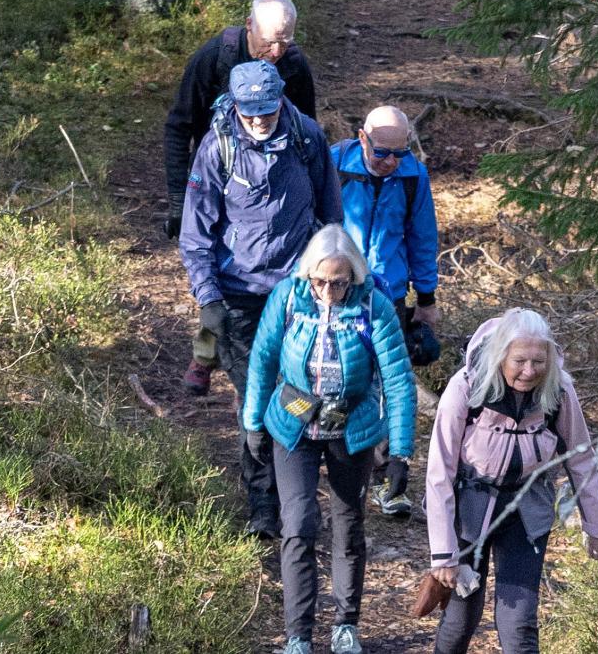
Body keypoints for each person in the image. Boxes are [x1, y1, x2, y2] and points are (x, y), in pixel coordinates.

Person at [179, 60, 342, 541]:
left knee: (295, 395)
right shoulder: (218, 147)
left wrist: (337, 282)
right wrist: (208, 300)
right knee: (257, 401)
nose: (257, 120)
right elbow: (195, 235)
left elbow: (331, 218)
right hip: (238, 298)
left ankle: (293, 501)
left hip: (297, 294)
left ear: (280, 101)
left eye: (265, 111)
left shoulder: (306, 138)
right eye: (249, 112)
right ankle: (263, 508)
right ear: (235, 105)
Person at [243, 225, 417, 654]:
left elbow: (398, 381)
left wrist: (400, 453)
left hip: (351, 429)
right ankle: (298, 635)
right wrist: (253, 423)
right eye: (320, 281)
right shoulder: (288, 297)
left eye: (338, 282)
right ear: (308, 274)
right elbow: (263, 360)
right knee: (298, 525)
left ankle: (345, 625)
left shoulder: (374, 307)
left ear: (353, 276)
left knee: (348, 525)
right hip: (294, 425)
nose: (328, 290)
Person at [424, 309, 598, 654]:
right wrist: (444, 554)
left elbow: (581, 457)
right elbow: (439, 472)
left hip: (527, 512)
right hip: (469, 512)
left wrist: (597, 523)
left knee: (519, 622)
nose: (529, 371)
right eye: (520, 361)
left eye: (538, 361)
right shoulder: (465, 387)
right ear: (500, 356)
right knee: (460, 618)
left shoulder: (559, 390)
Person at [332, 105, 441, 518]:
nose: (391, 162)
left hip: (389, 295)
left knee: (387, 382)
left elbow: (422, 237)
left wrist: (426, 301)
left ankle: (387, 479)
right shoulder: (334, 165)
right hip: (336, 290)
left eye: (400, 152)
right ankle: (338, 462)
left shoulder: (413, 176)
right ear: (362, 138)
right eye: (382, 153)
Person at [164, 0, 318, 248]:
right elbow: (179, 128)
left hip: (274, 181)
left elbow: (309, 133)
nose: (276, 52)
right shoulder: (213, 58)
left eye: (285, 41)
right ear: (249, 24)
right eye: (269, 42)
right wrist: (180, 200)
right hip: (215, 174)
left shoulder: (294, 64)